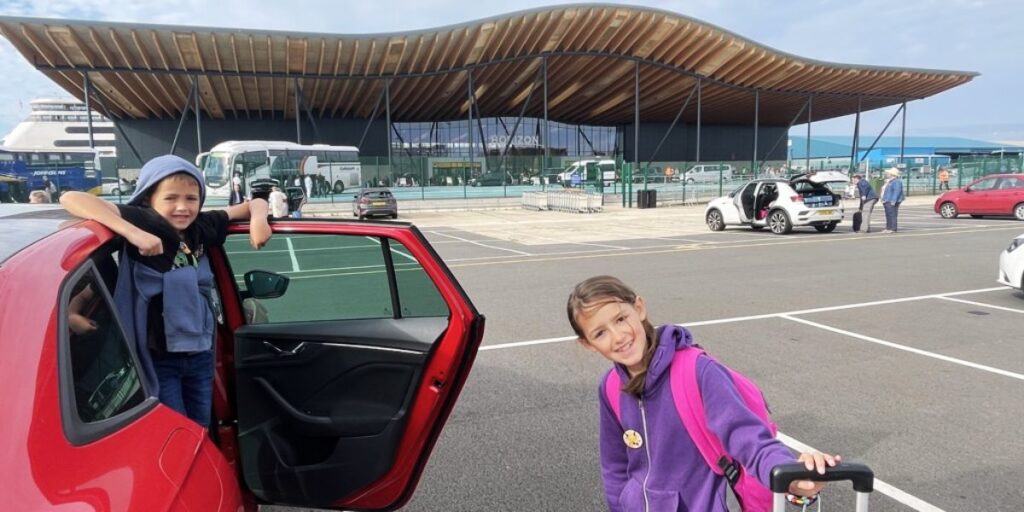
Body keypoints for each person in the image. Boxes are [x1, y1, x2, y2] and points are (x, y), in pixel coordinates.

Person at [567, 276, 839, 511]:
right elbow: (614, 468)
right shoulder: (611, 387)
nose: (618, 336)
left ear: (639, 308)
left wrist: (791, 477)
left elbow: (751, 442)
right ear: (588, 344)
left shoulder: (697, 371)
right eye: (600, 332)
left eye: (621, 318)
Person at [59, 155, 272, 428]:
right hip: (159, 356)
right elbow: (71, 198)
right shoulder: (143, 222)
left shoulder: (202, 226)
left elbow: (256, 202)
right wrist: (132, 233)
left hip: (200, 351)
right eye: (170, 198)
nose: (182, 207)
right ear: (149, 199)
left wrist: (258, 221)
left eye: (191, 199)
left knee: (200, 423)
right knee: (178, 427)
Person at [880, 167, 905, 233]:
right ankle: (888, 227)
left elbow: (897, 191)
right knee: (888, 214)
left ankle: (893, 228)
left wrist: (893, 200)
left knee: (892, 214)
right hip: (886, 200)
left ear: (892, 174)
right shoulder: (890, 181)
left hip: (891, 200)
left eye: (888, 173)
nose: (887, 174)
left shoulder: (897, 181)